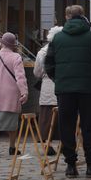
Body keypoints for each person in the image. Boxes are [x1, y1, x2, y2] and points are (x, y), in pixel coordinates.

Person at [45, 5, 91, 178]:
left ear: (67, 18)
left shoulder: (57, 39)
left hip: (65, 89)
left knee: (66, 126)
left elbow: (48, 65)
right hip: (87, 89)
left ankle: (71, 165)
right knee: (88, 126)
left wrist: (59, 80)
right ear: (83, 16)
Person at [0, 32, 28, 158]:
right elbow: (20, 77)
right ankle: (12, 147)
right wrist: (24, 92)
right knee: (12, 121)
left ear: (1, 43)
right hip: (10, 93)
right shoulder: (16, 57)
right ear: (13, 45)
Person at [33, 25, 63, 155]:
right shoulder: (65, 50)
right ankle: (64, 143)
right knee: (63, 117)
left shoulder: (43, 52)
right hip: (63, 86)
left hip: (47, 86)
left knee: (46, 117)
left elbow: (37, 72)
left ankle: (47, 144)